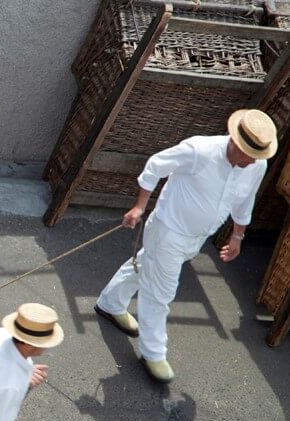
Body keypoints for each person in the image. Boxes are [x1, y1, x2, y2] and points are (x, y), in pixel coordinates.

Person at [95, 109, 276, 383]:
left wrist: (237, 236)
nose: (253, 162)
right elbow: (155, 165)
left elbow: (244, 201)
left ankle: (110, 303)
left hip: (195, 238)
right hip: (168, 230)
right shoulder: (199, 150)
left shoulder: (256, 165)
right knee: (160, 292)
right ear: (236, 143)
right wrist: (139, 207)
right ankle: (153, 353)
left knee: (147, 266)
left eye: (258, 156)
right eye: (250, 155)